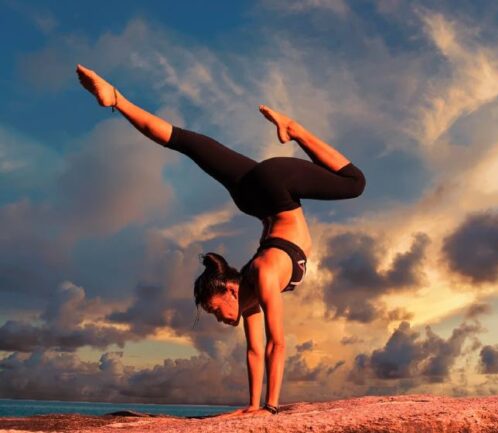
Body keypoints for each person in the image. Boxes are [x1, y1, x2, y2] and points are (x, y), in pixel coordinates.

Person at [75, 64, 365, 417]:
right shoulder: (252, 294)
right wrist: (252, 407)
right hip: (254, 197)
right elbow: (255, 350)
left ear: (230, 288)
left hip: (276, 190)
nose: (219, 319)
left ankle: (294, 129)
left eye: (214, 309)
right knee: (186, 142)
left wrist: (270, 408)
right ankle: (115, 99)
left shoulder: (260, 274)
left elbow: (278, 342)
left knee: (354, 183)